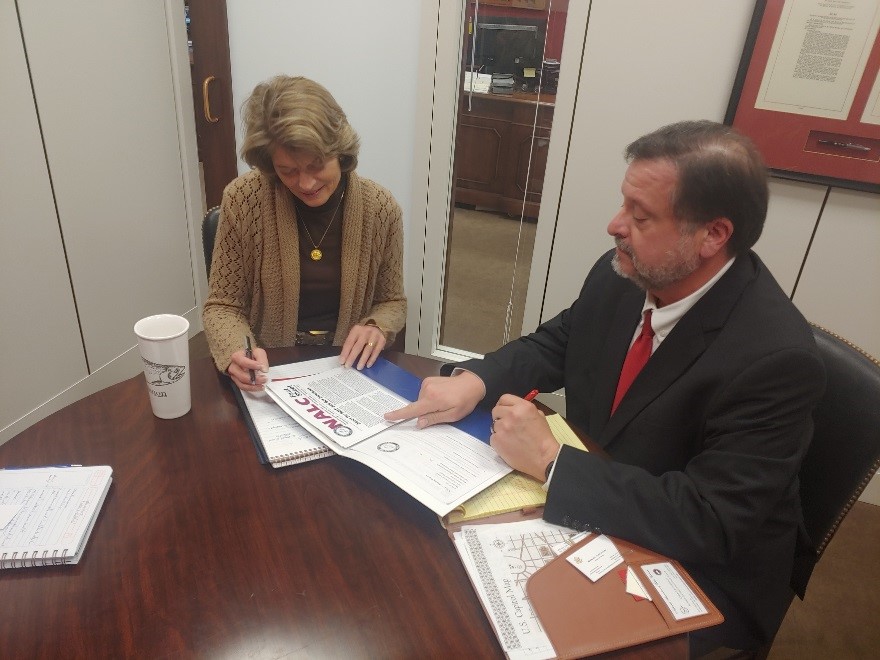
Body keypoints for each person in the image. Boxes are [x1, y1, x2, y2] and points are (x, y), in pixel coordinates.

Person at [386, 120, 826, 654]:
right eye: (624, 205)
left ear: (713, 234)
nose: (615, 225)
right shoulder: (625, 272)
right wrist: (475, 381)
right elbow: (561, 342)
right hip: (602, 503)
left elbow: (710, 519)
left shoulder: (776, 358)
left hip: (699, 569)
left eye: (640, 217)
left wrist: (552, 461)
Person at [203, 76, 406, 389]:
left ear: (340, 151)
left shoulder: (380, 208)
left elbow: (392, 301)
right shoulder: (243, 200)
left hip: (346, 367)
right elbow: (223, 306)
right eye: (288, 171)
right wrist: (236, 351)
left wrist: (376, 327)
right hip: (270, 367)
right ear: (270, 166)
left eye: (317, 165)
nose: (306, 184)